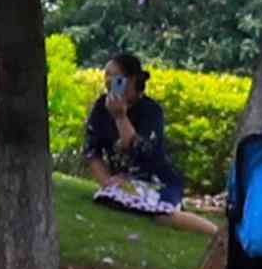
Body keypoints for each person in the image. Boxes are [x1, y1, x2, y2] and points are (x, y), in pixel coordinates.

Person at [78, 51, 187, 213]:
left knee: (159, 213)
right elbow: (91, 151)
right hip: (123, 184)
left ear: (133, 81)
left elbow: (143, 152)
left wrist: (120, 117)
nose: (109, 82)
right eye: (106, 76)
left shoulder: (151, 110)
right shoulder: (101, 106)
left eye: (116, 78)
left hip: (157, 180)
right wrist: (107, 183)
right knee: (109, 197)